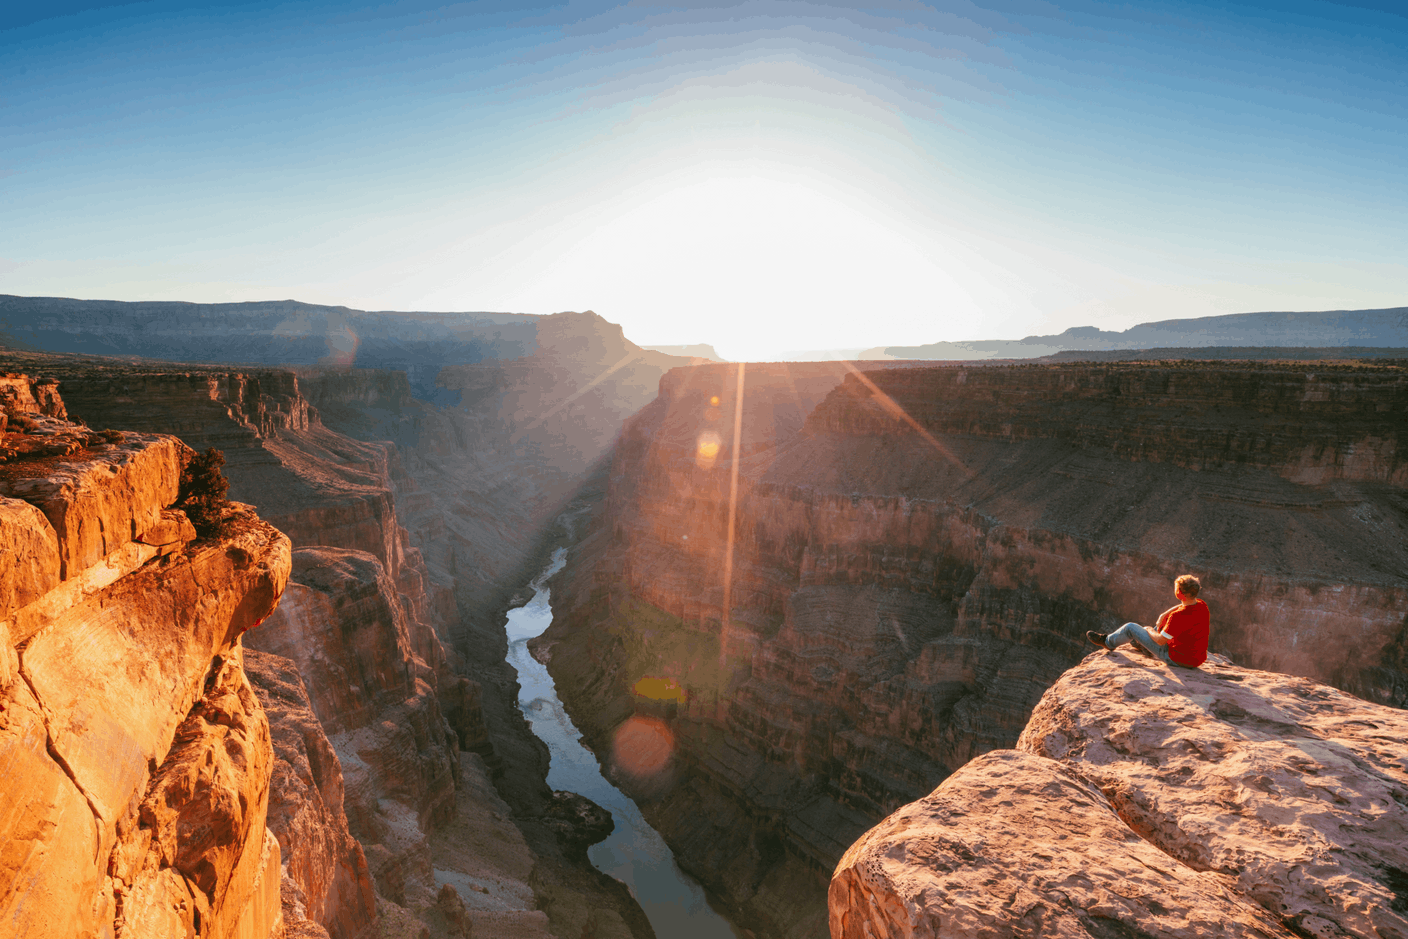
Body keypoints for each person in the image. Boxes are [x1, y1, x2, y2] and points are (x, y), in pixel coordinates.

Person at [1087, 575, 1210, 668]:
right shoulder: (1201, 605)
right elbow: (1183, 606)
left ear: (1179, 593)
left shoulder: (1177, 617)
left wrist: (1148, 630)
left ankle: (1107, 642)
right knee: (1159, 628)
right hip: (1196, 659)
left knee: (1131, 627)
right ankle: (1142, 646)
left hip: (1176, 659)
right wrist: (1164, 615)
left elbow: (1161, 641)